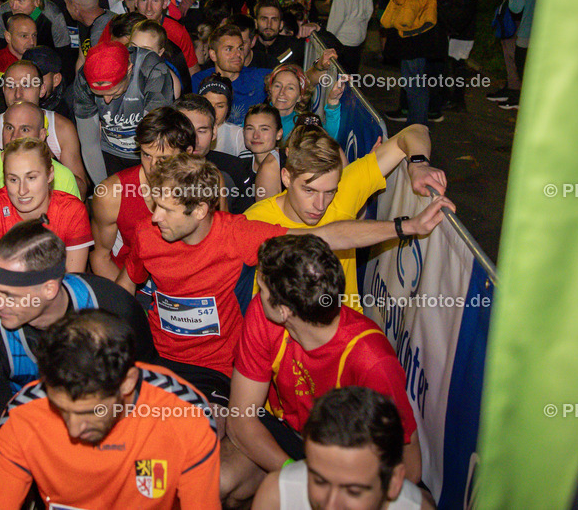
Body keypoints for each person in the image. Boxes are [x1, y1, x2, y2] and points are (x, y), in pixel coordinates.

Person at [114, 154, 452, 420]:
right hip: (155, 357)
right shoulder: (147, 234)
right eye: (155, 206)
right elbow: (125, 286)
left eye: (166, 209)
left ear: (201, 210)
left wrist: (407, 226)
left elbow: (325, 237)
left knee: (198, 431)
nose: (154, 217)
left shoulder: (237, 235)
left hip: (214, 370)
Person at [0, 223, 156, 510]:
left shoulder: (113, 307)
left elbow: (149, 397)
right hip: (19, 423)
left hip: (101, 423)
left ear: (48, 288)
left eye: (8, 294)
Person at [225, 237, 422, 503]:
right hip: (287, 434)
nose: (258, 296)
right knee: (221, 479)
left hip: (344, 458)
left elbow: (410, 465)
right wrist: (297, 476)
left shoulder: (372, 359)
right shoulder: (264, 315)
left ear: (284, 311)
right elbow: (240, 420)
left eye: (262, 289)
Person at [0, 310, 221, 510]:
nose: (74, 429)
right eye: (60, 409)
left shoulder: (186, 414)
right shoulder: (22, 415)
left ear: (127, 383)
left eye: (89, 413)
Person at [245, 122, 447, 309]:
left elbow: (415, 131)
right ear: (287, 178)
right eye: (309, 190)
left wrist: (418, 165)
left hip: (346, 329)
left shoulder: (345, 189)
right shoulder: (255, 220)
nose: (320, 205)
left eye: (330, 192)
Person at [0, 136, 93, 328]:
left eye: (31, 178)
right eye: (13, 179)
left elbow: (70, 289)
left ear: (50, 175)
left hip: (53, 311)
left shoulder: (71, 211)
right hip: (3, 307)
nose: (22, 190)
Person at [252, 387, 433, 510]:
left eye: (353, 491)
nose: (330, 505)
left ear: (394, 482)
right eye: (319, 481)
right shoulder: (277, 498)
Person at [90, 107, 197, 281]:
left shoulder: (205, 187)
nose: (152, 166)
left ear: (188, 154)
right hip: (131, 283)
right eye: (146, 155)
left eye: (163, 158)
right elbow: (101, 257)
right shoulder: (111, 194)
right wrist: (125, 297)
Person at [0, 62, 88, 193]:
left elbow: (81, 191)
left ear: (42, 90)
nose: (18, 94)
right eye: (11, 86)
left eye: (26, 85)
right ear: (3, 90)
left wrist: (46, 155)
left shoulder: (62, 128)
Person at [74, 40, 175, 184]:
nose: (107, 100)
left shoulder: (152, 69)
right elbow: (89, 144)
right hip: (110, 151)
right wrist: (103, 188)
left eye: (114, 93)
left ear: (129, 70)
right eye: (99, 95)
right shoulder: (84, 78)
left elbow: (154, 138)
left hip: (146, 152)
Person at [0, 101, 81, 214]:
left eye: (25, 129)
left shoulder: (63, 177)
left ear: (42, 135)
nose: (14, 137)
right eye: (9, 128)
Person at [192, 24, 273, 126]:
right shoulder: (200, 80)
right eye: (229, 49)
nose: (238, 54)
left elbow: (289, 74)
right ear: (213, 55)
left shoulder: (258, 78)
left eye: (240, 48)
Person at [137, 0, 200, 74]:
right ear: (136, 1)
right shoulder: (125, 28)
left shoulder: (177, 31)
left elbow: (193, 71)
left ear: (165, 2)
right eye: (144, 0)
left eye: (155, 1)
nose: (149, 8)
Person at [129, 19, 192, 97]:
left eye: (146, 50)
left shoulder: (169, 82)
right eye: (134, 46)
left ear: (160, 52)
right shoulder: (121, 67)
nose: (138, 53)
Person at [243, 103, 284, 201]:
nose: (256, 136)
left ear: (279, 134)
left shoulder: (285, 164)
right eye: (250, 128)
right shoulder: (242, 159)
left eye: (264, 129)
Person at [199, 74, 246, 157]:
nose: (213, 111)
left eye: (220, 106)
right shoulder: (187, 131)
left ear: (228, 108)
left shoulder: (239, 136)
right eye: (208, 104)